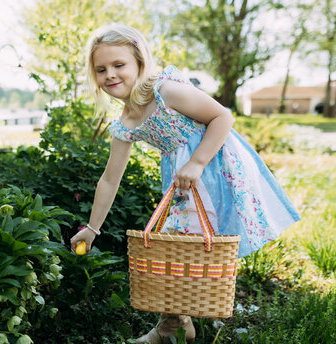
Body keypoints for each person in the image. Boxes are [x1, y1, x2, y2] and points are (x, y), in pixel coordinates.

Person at [69, 24, 300, 344]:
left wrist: (197, 162)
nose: (110, 74)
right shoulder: (125, 123)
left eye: (119, 65)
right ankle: (176, 325)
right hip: (183, 177)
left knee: (179, 245)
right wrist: (92, 229)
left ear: (139, 62)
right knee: (174, 249)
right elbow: (109, 179)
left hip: (214, 165)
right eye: (101, 69)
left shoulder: (165, 91)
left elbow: (222, 117)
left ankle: (172, 328)